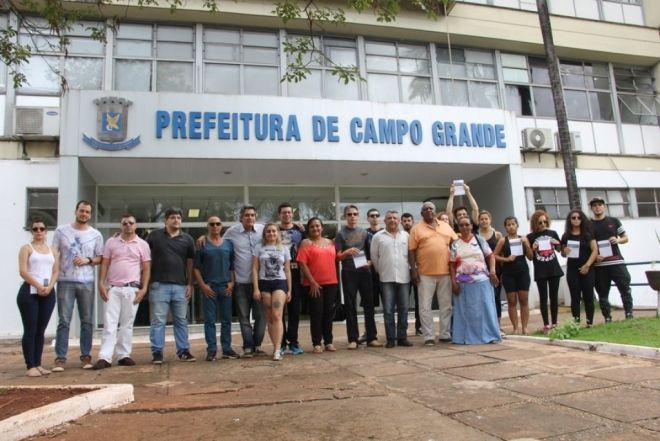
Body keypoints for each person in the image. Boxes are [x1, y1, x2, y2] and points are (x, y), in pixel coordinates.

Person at [93, 214, 151, 369]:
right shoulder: (111, 242)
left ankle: (124, 355)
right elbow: (105, 264)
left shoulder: (142, 244)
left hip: (132, 288)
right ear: (121, 225)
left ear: (135, 225)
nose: (128, 225)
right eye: (124, 223)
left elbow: (146, 268)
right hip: (113, 288)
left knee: (127, 324)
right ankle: (105, 357)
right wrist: (101, 283)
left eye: (131, 223)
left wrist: (144, 288)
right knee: (109, 324)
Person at [52, 200, 104, 372]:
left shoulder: (96, 235)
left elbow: (100, 258)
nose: (84, 214)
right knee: (64, 320)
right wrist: (53, 277)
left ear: (90, 215)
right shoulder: (61, 231)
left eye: (87, 212)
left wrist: (87, 260)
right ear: (76, 211)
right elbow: (54, 254)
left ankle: (86, 356)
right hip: (65, 281)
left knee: (87, 321)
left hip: (86, 282)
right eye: (82, 211)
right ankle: (60, 358)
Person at [147, 207, 196, 364]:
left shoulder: (187, 239)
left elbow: (190, 263)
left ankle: (183, 351)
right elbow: (142, 256)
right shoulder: (154, 237)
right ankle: (157, 352)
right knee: (158, 320)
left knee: (181, 320)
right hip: (158, 285)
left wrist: (190, 283)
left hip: (180, 286)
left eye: (179, 218)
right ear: (166, 220)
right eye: (173, 217)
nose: (176, 220)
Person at [408, 201, 457, 346]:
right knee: (424, 306)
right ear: (421, 213)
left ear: (435, 212)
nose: (429, 210)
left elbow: (455, 243)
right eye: (426, 209)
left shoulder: (446, 226)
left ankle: (445, 334)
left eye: (431, 208)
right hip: (424, 273)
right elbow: (411, 251)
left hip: (446, 272)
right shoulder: (416, 229)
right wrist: (413, 270)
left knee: (446, 305)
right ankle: (428, 336)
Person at [193, 216, 240, 362]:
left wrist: (232, 283)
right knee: (210, 321)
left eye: (218, 224)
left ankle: (226, 349)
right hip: (210, 288)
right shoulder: (202, 244)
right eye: (212, 224)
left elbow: (232, 266)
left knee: (227, 320)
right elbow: (195, 268)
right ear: (208, 226)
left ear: (221, 226)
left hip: (226, 287)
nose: (215, 226)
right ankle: (212, 350)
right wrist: (202, 286)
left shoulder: (228, 244)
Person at [335, 205, 382, 349]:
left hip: (364, 272)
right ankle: (353, 339)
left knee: (369, 305)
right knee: (350, 305)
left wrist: (370, 263)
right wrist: (346, 252)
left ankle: (371, 337)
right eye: (349, 214)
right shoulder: (340, 234)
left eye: (355, 214)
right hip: (349, 272)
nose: (352, 216)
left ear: (358, 216)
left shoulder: (365, 233)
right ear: (345, 216)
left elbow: (372, 255)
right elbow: (337, 258)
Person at [18, 218, 59, 377]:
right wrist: (38, 285)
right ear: (31, 231)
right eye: (35, 229)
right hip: (30, 292)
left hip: (48, 292)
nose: (39, 232)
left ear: (46, 231)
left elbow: (56, 271)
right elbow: (23, 271)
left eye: (42, 229)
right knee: (31, 329)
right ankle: (30, 365)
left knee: (40, 330)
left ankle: (38, 363)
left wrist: (49, 287)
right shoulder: (26, 248)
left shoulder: (52, 249)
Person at [449, 217, 501, 345]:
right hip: (462, 283)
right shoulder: (455, 244)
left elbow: (491, 256)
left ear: (471, 226)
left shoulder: (480, 240)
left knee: (486, 309)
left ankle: (490, 335)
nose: (465, 227)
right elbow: (451, 265)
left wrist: (493, 272)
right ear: (458, 228)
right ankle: (462, 338)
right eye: (461, 225)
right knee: (464, 312)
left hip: (482, 280)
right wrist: (453, 283)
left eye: (467, 224)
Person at [224, 205, 266, 357]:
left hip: (261, 281)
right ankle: (248, 346)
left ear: (256, 217)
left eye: (252, 215)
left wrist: (298, 226)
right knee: (244, 316)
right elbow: (218, 243)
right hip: (241, 282)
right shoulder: (231, 232)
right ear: (241, 218)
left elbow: (278, 234)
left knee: (261, 316)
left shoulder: (262, 229)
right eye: (247, 215)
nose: (250, 218)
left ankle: (257, 344)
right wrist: (203, 237)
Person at [370, 210, 412, 348]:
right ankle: (390, 338)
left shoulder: (406, 236)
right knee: (388, 310)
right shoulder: (378, 237)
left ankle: (402, 337)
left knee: (404, 309)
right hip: (386, 278)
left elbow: (411, 256)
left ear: (399, 220)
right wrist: (380, 271)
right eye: (389, 218)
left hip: (404, 277)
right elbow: (374, 257)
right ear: (385, 221)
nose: (392, 220)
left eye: (395, 218)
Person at [296, 217, 338, 353]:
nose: (315, 228)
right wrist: (313, 282)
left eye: (318, 226)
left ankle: (329, 342)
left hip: (331, 282)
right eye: (312, 226)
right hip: (314, 284)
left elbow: (336, 258)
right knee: (316, 313)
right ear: (308, 229)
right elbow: (302, 263)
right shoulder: (305, 243)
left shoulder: (330, 242)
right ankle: (316, 343)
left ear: (322, 228)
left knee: (328, 313)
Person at [589, 196, 634, 321]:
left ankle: (629, 314)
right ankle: (607, 317)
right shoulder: (588, 225)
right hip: (600, 265)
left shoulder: (614, 221)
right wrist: (593, 256)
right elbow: (587, 245)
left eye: (600, 204)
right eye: (595, 205)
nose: (597, 207)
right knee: (602, 293)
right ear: (591, 208)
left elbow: (626, 238)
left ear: (605, 206)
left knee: (625, 288)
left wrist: (618, 239)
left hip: (617, 262)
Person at [252, 223, 291, 361]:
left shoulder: (284, 248)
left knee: (277, 314)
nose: (271, 233)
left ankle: (278, 347)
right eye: (268, 231)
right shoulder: (259, 248)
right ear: (265, 234)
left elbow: (287, 270)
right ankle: (276, 347)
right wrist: (256, 288)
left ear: (278, 233)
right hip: (264, 284)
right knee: (269, 317)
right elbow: (255, 268)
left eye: (274, 231)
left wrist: (290, 289)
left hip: (280, 283)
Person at [526, 209, 564, 334]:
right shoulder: (530, 237)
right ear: (535, 223)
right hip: (540, 270)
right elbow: (530, 257)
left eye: (545, 222)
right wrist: (533, 248)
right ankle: (546, 324)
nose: (543, 224)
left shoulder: (553, 233)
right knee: (543, 298)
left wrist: (557, 243)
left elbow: (559, 250)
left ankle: (555, 323)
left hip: (554, 268)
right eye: (540, 222)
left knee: (554, 297)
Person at [493, 216, 531, 335]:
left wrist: (526, 245)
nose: (511, 226)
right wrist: (506, 259)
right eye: (508, 225)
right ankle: (515, 327)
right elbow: (494, 255)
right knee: (511, 301)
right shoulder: (503, 241)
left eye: (513, 224)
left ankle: (525, 327)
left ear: (517, 225)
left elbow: (531, 256)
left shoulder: (523, 239)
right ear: (505, 227)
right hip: (508, 273)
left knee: (524, 300)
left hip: (522, 271)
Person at [560, 210, 597, 327]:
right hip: (572, 269)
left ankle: (589, 322)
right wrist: (564, 251)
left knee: (588, 296)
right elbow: (563, 253)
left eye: (578, 218)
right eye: (573, 218)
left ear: (582, 219)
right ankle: (576, 323)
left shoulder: (588, 234)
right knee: (575, 297)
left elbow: (595, 250)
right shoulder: (566, 235)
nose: (576, 220)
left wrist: (587, 265)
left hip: (587, 269)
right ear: (569, 220)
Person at [277, 203, 305, 356]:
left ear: (292, 214)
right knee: (279, 310)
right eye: (283, 213)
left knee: (294, 310)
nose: (286, 215)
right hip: (278, 274)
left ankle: (293, 342)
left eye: (289, 212)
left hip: (295, 273)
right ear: (279, 215)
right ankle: (281, 343)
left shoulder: (300, 230)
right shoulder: (274, 230)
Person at [477, 210, 503, 335]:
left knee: (496, 298)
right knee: (483, 299)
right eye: (481, 219)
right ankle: (485, 326)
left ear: (490, 220)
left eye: (486, 218)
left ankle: (498, 326)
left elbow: (500, 253)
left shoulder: (497, 235)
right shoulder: (476, 235)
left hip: (495, 270)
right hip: (480, 271)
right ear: (478, 221)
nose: (484, 221)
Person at [401, 212, 422, 336]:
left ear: (413, 221)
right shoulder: (400, 236)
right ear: (401, 222)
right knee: (403, 301)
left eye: (409, 220)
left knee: (419, 300)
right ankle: (402, 329)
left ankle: (419, 327)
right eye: (404, 221)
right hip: (404, 272)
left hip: (418, 271)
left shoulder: (417, 235)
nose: (407, 223)